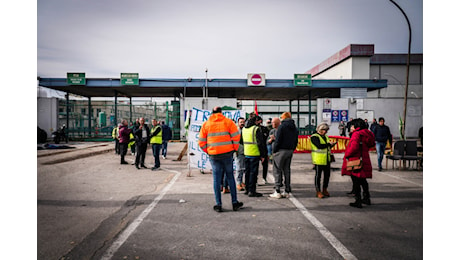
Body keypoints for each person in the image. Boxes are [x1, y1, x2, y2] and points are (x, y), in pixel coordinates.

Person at [198, 107, 243, 212]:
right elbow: (237, 137)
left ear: (212, 113)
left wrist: (208, 151)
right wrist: (234, 149)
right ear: (221, 112)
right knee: (230, 177)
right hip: (227, 154)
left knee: (216, 179)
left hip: (214, 155)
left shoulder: (206, 124)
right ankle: (234, 202)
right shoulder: (228, 122)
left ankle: (218, 204)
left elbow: (201, 142)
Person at [341, 118, 375, 208]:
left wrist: (347, 154)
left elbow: (354, 147)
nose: (351, 127)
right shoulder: (367, 133)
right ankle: (366, 197)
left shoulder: (356, 134)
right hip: (363, 158)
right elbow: (371, 144)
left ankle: (358, 200)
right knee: (363, 180)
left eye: (352, 126)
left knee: (356, 180)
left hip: (355, 159)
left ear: (356, 126)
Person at [270, 114, 297, 199]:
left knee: (277, 170)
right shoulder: (294, 127)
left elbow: (278, 140)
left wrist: (274, 150)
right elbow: (296, 140)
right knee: (287, 170)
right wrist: (292, 148)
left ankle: (277, 190)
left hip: (280, 150)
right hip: (290, 150)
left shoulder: (282, 127)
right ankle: (287, 190)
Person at [242, 116, 267, 197]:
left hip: (246, 153)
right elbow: (260, 143)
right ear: (255, 121)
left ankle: (247, 189)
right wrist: (263, 155)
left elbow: (241, 141)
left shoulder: (244, 129)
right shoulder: (256, 129)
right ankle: (252, 191)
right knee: (253, 173)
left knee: (247, 172)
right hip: (254, 153)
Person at [310, 122, 336, 199]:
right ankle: (318, 191)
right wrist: (329, 145)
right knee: (318, 176)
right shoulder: (314, 137)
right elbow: (319, 146)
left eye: (326, 130)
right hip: (318, 159)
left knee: (327, 176)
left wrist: (331, 145)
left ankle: (325, 189)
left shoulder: (326, 137)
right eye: (324, 130)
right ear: (320, 129)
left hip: (326, 159)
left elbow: (326, 147)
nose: (325, 132)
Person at [255, 116, 270, 184]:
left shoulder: (264, 129)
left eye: (258, 120)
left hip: (264, 148)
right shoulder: (254, 129)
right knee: (255, 166)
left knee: (265, 165)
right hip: (255, 149)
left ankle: (264, 178)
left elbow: (267, 137)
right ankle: (255, 179)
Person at [235, 117, 246, 191]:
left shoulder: (245, 130)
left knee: (243, 168)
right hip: (238, 152)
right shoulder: (235, 131)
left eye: (243, 122)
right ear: (238, 123)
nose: (242, 123)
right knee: (239, 168)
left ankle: (242, 182)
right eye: (241, 122)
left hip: (245, 152)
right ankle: (238, 183)